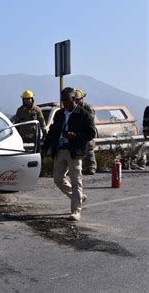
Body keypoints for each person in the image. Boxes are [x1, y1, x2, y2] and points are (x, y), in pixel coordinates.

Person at [42, 87, 96, 221]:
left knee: (76, 181)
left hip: (74, 152)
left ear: (73, 99)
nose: (63, 103)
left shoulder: (83, 114)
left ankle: (76, 210)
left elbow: (91, 133)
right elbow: (53, 131)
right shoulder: (60, 114)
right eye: (62, 100)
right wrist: (45, 148)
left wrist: (75, 136)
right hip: (60, 150)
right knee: (58, 178)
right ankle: (78, 197)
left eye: (66, 100)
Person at [75, 89, 97, 175]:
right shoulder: (75, 108)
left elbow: (90, 120)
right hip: (79, 132)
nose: (77, 101)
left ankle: (92, 167)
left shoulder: (88, 108)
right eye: (75, 100)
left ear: (82, 99)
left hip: (88, 131)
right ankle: (83, 168)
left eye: (78, 100)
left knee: (89, 149)